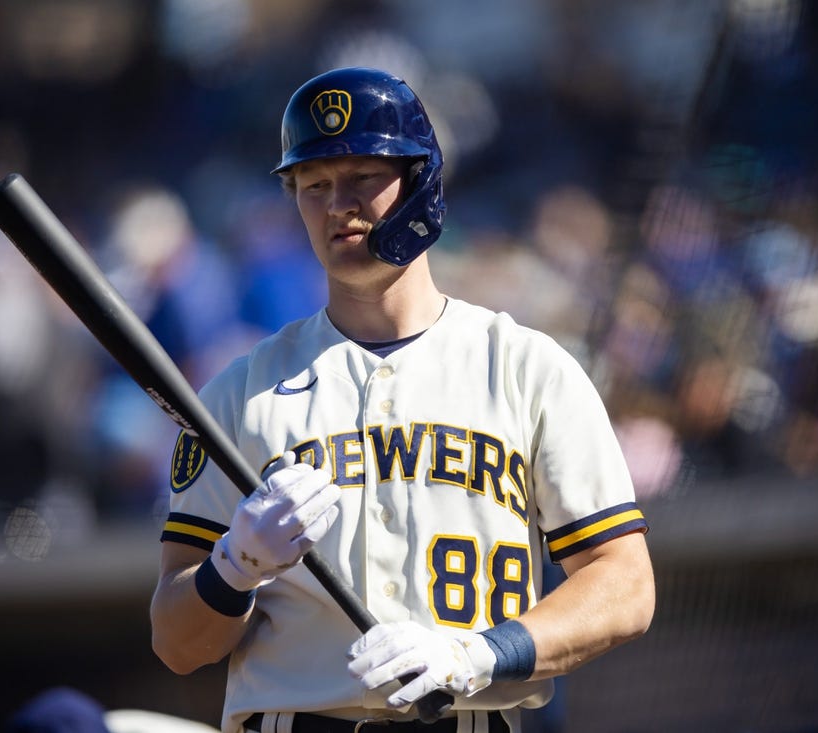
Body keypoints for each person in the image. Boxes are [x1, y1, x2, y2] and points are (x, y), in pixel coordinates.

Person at [149, 66, 655, 733]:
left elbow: (624, 585)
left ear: (421, 182)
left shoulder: (529, 369)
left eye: (363, 177)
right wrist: (231, 567)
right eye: (314, 184)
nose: (337, 205)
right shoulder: (239, 394)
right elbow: (177, 643)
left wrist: (477, 652)